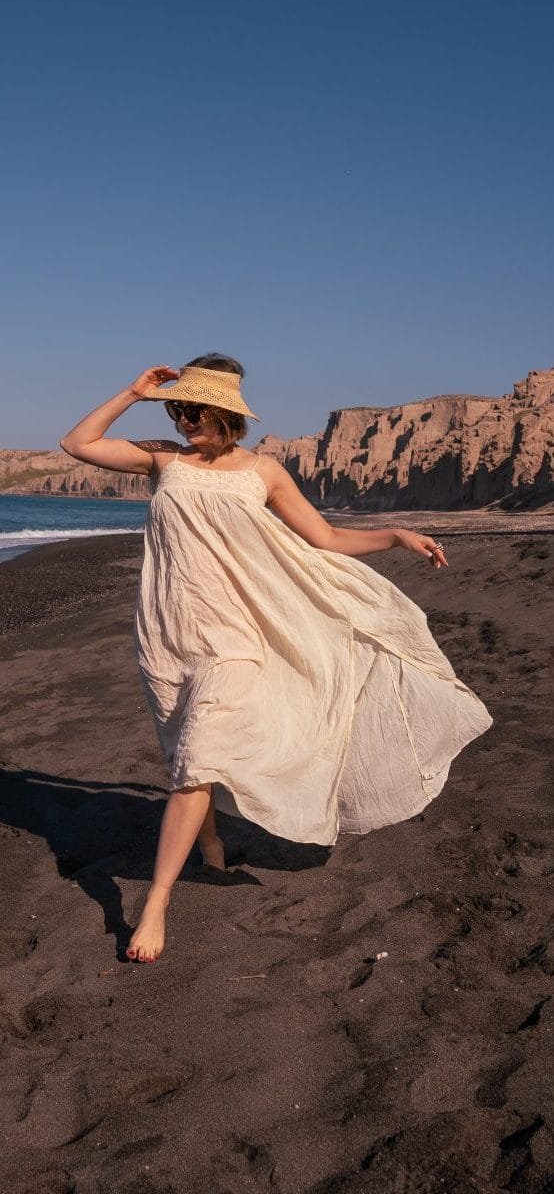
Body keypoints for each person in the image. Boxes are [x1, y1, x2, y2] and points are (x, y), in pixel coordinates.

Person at [60, 354, 492, 964]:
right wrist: (133, 393)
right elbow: (77, 443)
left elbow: (327, 538)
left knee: (198, 756)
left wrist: (395, 535)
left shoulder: (263, 471)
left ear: (226, 413)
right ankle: (209, 845)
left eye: (195, 410)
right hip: (168, 631)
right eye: (178, 409)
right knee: (185, 750)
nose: (184, 420)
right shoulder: (162, 460)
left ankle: (155, 903)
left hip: (238, 634)